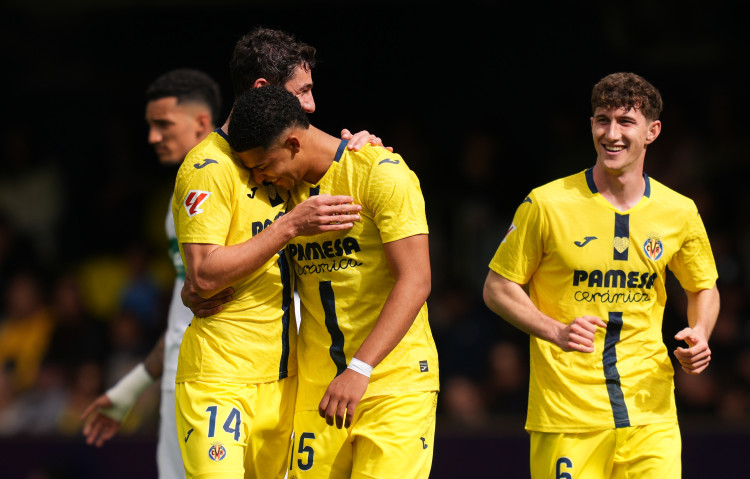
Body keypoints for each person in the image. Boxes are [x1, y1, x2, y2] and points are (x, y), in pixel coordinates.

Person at [482, 72, 720, 478]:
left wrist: (700, 332)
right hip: (568, 414)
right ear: (591, 124)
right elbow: (497, 287)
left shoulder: (679, 211)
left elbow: (704, 287)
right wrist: (554, 330)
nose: (611, 134)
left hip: (651, 413)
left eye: (626, 121)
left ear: (652, 132)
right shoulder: (546, 204)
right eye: (602, 120)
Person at [172, 27, 383, 479]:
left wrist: (364, 149)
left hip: (285, 381)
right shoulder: (208, 167)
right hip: (221, 376)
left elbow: (337, 159)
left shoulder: (287, 161)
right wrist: (289, 226)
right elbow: (204, 275)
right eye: (301, 91)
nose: (311, 105)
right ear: (263, 89)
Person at [227, 85, 439, 479]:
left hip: (393, 384)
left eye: (264, 165)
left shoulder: (380, 172)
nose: (260, 177)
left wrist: (360, 368)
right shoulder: (282, 196)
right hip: (318, 389)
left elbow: (416, 280)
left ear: (294, 143)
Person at [80, 68, 231, 479]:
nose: (152, 137)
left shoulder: (237, 184)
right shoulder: (178, 196)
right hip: (180, 379)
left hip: (228, 384)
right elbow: (185, 317)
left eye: (163, 125)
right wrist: (131, 387)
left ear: (201, 122)